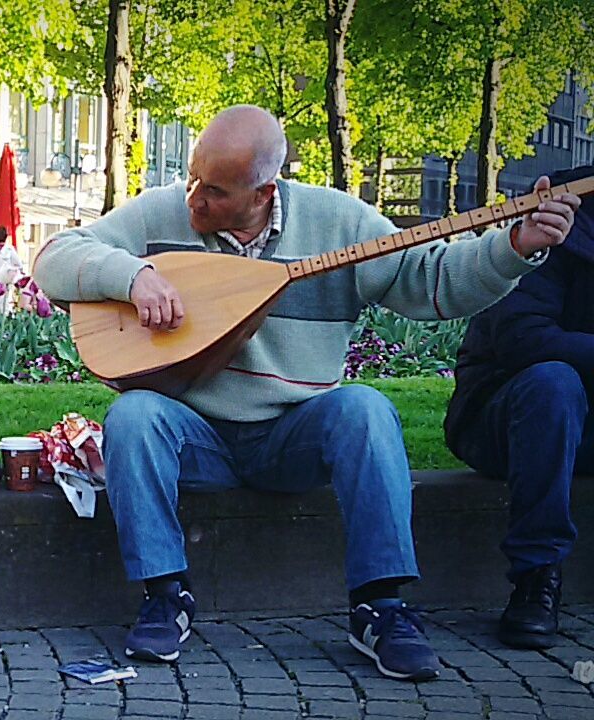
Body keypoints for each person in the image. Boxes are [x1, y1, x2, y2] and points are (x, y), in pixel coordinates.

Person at [31, 104, 581, 681]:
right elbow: (56, 257)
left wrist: (516, 247)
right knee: (134, 414)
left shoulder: (339, 222)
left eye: (214, 191)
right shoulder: (165, 213)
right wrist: (133, 276)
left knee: (366, 409)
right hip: (195, 436)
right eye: (193, 178)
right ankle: (165, 597)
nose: (193, 199)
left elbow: (431, 279)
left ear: (264, 191)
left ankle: (380, 608)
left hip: (293, 435)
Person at [444, 164, 593, 650]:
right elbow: (522, 339)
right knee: (554, 383)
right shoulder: (560, 206)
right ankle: (535, 579)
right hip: (507, 415)